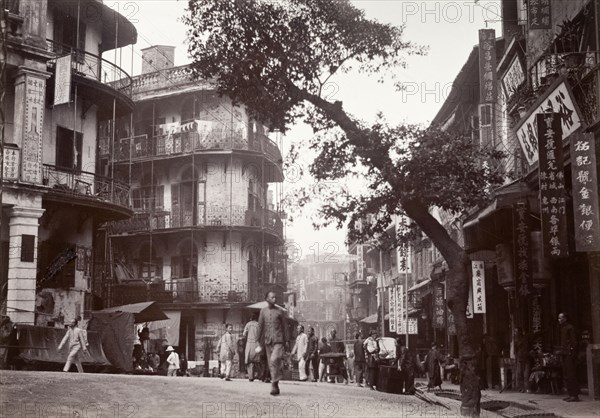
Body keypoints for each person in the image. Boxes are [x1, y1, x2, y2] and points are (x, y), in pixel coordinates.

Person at [257, 291, 289, 395]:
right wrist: (258, 341)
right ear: (267, 299)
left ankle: (275, 381)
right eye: (272, 297)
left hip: (278, 340)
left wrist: (287, 340)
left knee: (274, 359)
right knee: (271, 363)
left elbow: (284, 326)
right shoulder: (263, 311)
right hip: (267, 340)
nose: (274, 299)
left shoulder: (280, 311)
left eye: (275, 297)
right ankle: (275, 384)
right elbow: (260, 326)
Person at [558, 313, 579, 402]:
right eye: (558, 318)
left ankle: (574, 395)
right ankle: (570, 394)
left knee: (571, 375)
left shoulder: (570, 328)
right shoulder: (562, 328)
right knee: (566, 375)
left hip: (569, 354)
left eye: (560, 318)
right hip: (564, 354)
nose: (559, 320)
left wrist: (573, 354)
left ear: (565, 318)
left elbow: (574, 342)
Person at [243, 313, 261, 381]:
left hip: (249, 344)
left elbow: (244, 334)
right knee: (258, 361)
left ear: (250, 318)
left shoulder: (248, 324)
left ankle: (251, 377)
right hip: (256, 344)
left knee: (249, 361)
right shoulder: (258, 324)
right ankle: (260, 375)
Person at [514, 327, 532, 393]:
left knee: (526, 374)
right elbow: (516, 351)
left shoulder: (525, 339)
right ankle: (522, 388)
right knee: (519, 374)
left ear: (520, 332)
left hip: (526, 358)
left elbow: (527, 348)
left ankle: (527, 388)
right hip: (519, 359)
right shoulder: (516, 340)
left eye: (516, 331)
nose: (515, 333)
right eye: (515, 332)